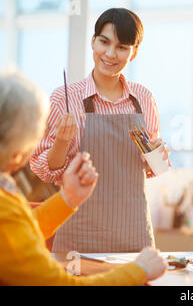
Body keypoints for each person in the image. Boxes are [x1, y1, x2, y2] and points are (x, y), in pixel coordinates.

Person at [0, 72, 168, 285]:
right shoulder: (5, 209)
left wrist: (68, 198)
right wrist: (139, 270)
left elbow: (22, 228)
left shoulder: (6, 202)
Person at [30, 8, 170, 253]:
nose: (110, 54)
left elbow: (149, 170)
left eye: (122, 47)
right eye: (104, 42)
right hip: (78, 231)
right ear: (93, 41)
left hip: (132, 231)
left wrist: (157, 157)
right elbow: (46, 171)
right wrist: (61, 143)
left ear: (134, 53)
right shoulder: (65, 98)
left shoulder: (144, 98)